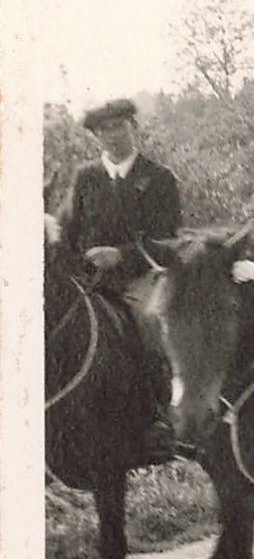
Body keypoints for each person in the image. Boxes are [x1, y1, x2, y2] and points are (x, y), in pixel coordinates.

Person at [56, 98, 182, 464]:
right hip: (90, 281)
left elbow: (168, 241)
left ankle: (160, 417)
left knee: (146, 322)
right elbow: (68, 230)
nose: (112, 136)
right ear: (96, 136)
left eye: (119, 126)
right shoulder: (86, 177)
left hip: (140, 277)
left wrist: (121, 254)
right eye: (104, 130)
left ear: (133, 127)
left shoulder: (158, 177)